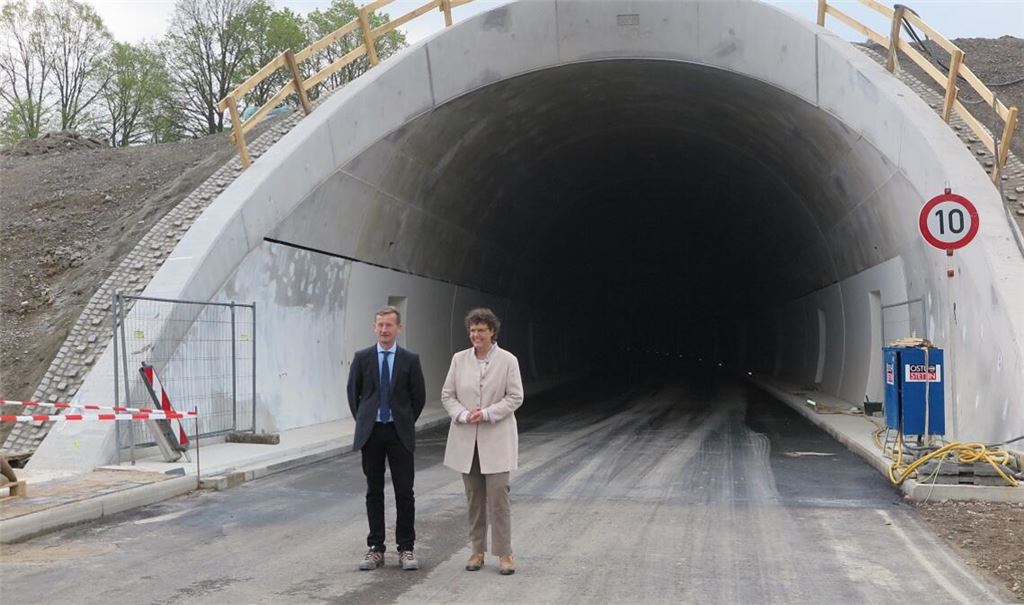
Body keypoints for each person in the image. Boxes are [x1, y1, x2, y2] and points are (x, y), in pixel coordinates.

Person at [442, 308, 524, 575]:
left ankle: (504, 553)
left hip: (497, 439)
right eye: (473, 330)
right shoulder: (458, 360)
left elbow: (515, 397)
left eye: (481, 330)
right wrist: (462, 414)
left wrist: (487, 414)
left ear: (492, 332)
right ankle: (476, 551)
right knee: (474, 498)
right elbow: (447, 395)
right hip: (467, 441)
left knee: (499, 496)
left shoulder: (508, 360)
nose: (476, 335)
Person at [347, 306, 426, 571]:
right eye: (380, 325)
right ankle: (375, 548)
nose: (384, 330)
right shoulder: (362, 358)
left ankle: (406, 548)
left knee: (405, 491)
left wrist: (403, 421)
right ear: (374, 327)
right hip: (372, 433)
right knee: (374, 491)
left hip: (399, 433)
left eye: (389, 325)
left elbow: (419, 397)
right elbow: (353, 394)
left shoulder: (410, 360)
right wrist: (366, 420)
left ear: (398, 328)